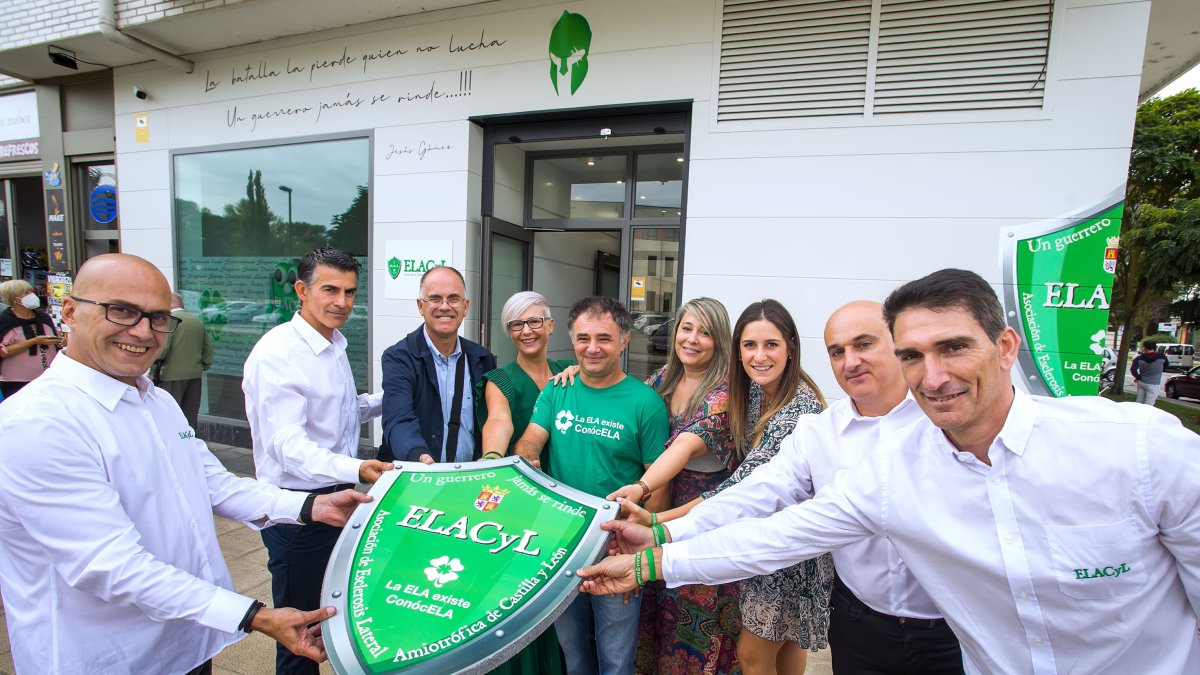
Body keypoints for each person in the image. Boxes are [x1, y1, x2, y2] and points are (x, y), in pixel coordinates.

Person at [580, 269, 1200, 674]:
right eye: (913, 355)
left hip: (943, 636)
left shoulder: (1141, 449)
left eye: (953, 347)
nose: (934, 374)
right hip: (865, 624)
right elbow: (771, 522)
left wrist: (656, 541)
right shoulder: (887, 469)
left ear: (1006, 347)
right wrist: (655, 550)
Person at [0, 253, 373, 674]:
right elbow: (111, 565)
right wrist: (255, 615)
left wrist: (311, 506)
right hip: (107, 658)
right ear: (69, 311)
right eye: (121, 311)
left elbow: (214, 483)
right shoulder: (37, 423)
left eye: (159, 317)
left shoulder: (155, 400)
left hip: (185, 643)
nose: (142, 331)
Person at [625, 301, 963, 674]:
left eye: (864, 344)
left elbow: (744, 483)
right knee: (779, 648)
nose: (851, 361)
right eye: (838, 351)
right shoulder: (766, 400)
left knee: (755, 654)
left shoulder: (940, 425)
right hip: (843, 602)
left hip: (803, 558)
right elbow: (756, 490)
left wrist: (658, 521)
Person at [242, 247, 393, 675]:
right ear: (301, 290)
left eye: (350, 292)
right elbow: (287, 445)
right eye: (330, 290)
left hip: (336, 499)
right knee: (300, 634)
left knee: (331, 618)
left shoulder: (333, 343)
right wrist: (356, 469)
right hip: (297, 513)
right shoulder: (279, 353)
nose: (342, 302)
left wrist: (396, 396)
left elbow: (344, 411)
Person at [513, 295, 670, 675]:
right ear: (572, 338)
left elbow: (659, 483)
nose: (592, 348)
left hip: (615, 545)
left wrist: (640, 552)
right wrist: (529, 456)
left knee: (616, 656)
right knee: (573, 650)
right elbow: (531, 438)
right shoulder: (557, 389)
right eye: (583, 338)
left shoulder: (645, 403)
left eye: (604, 338)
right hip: (560, 543)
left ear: (624, 340)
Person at [608, 298, 741, 675]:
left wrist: (641, 487)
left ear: (720, 341)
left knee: (696, 631)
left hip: (700, 520)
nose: (692, 339)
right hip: (654, 516)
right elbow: (621, 399)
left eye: (705, 332)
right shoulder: (662, 379)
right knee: (654, 620)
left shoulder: (726, 393)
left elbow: (683, 446)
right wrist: (583, 372)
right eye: (687, 328)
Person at [475, 290, 572, 675]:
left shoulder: (570, 371)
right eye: (517, 324)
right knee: (520, 591)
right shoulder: (501, 380)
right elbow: (498, 421)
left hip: (568, 498)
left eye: (534, 321)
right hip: (524, 500)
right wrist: (492, 461)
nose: (526, 331)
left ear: (550, 325)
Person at [380, 265, 495, 463]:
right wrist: (418, 455)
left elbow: (493, 419)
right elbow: (398, 418)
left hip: (470, 475)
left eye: (453, 298)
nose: (444, 307)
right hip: (418, 473)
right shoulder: (399, 358)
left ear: (465, 306)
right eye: (435, 298)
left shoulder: (482, 359)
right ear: (420, 306)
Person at [155, 291, 214, 428]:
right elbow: (208, 353)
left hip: (170, 376)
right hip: (194, 376)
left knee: (169, 415)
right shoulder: (197, 321)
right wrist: (200, 367)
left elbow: (163, 350)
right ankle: (188, 439)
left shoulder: (169, 320)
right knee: (190, 416)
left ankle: (172, 441)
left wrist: (152, 368)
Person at [0, 279, 62, 398]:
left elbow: (54, 342)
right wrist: (34, 341)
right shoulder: (5, 321)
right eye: (26, 292)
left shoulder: (43, 317)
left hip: (49, 376)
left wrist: (59, 342)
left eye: (31, 291)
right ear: (15, 299)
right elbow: (3, 352)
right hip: (17, 381)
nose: (32, 295)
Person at [1130, 339, 1168, 406]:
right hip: (1154, 383)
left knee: (1139, 402)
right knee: (1149, 404)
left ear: (1144, 347)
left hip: (1142, 382)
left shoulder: (1139, 358)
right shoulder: (1162, 357)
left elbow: (1133, 369)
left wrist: (1138, 377)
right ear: (1155, 347)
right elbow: (1166, 365)